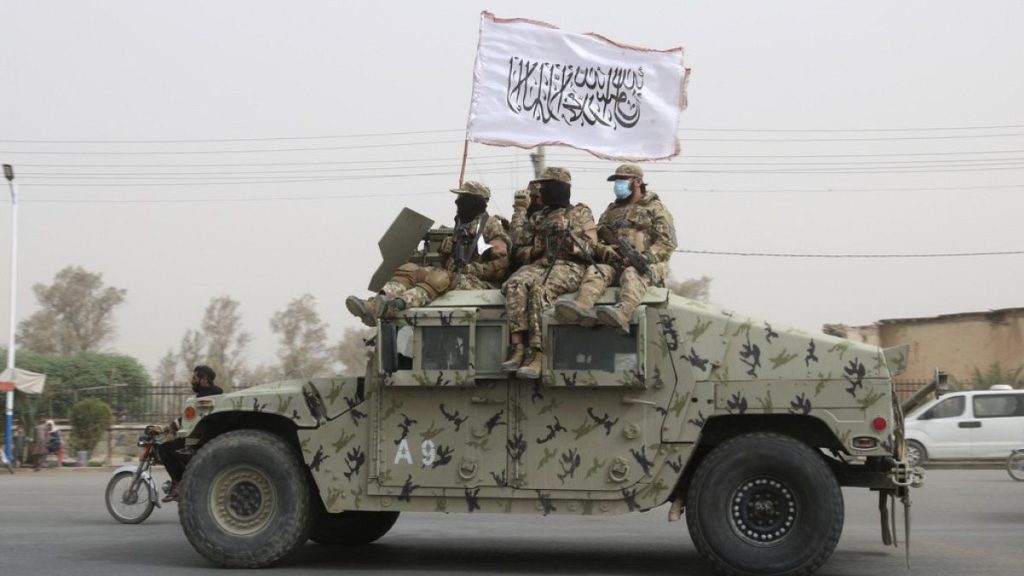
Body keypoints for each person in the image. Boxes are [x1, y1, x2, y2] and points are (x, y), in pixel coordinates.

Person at [346, 181, 510, 326]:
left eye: (463, 198)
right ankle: (375, 305)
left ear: (475, 201)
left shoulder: (490, 226)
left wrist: (473, 269)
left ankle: (396, 306)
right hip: (456, 277)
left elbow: (502, 265)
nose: (457, 201)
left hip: (481, 283)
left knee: (439, 278)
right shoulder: (462, 224)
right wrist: (445, 252)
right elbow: (450, 263)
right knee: (409, 269)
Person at [553, 164, 677, 333]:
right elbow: (597, 237)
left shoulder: (655, 208)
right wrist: (607, 251)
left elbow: (667, 242)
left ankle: (623, 313)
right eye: (616, 181)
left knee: (632, 273)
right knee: (596, 271)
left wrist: (645, 256)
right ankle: (582, 307)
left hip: (647, 266)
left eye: (622, 180)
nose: (618, 185)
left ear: (637, 182)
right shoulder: (612, 210)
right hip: (616, 263)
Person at [501, 167, 597, 379]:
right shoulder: (538, 217)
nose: (541, 190)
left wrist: (568, 238)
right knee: (515, 283)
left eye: (545, 186)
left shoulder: (580, 213)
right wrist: (536, 249)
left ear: (558, 188)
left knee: (539, 289)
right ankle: (518, 348)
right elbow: (518, 248)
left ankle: (537, 352)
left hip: (570, 266)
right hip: (542, 263)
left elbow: (591, 249)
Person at [157, 365, 222, 502]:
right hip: (205, 440)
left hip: (201, 442)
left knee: (164, 449)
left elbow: (189, 419)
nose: (192, 381)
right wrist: (170, 428)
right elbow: (188, 418)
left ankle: (179, 485)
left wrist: (167, 429)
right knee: (175, 446)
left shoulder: (206, 397)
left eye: (194, 378)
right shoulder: (215, 394)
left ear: (204, 380)